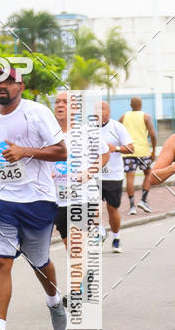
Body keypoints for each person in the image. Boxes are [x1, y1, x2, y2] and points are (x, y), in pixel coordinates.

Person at [0, 66, 68, 330]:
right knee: (1, 261)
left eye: (10, 81)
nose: (3, 86)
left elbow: (61, 151)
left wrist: (25, 151)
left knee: (39, 261)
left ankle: (53, 300)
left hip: (37, 199)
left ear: (21, 87)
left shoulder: (37, 113)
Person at [52, 91, 109, 248]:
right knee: (70, 247)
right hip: (58, 198)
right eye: (57, 102)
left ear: (75, 108)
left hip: (82, 197)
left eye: (65, 102)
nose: (60, 105)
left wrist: (89, 172)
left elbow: (105, 154)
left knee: (77, 247)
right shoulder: (48, 133)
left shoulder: (86, 131)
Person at [99, 101, 133, 252]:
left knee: (112, 208)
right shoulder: (87, 128)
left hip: (113, 175)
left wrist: (116, 148)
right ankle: (100, 232)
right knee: (90, 207)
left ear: (109, 112)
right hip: (93, 174)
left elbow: (131, 148)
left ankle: (116, 237)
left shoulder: (117, 127)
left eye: (102, 109)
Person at [120, 97, 156, 214]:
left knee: (130, 178)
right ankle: (143, 200)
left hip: (128, 151)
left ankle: (132, 207)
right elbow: (153, 134)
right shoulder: (146, 116)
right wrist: (154, 150)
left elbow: (116, 130)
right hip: (143, 151)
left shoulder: (124, 116)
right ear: (141, 104)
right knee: (148, 174)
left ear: (130, 105)